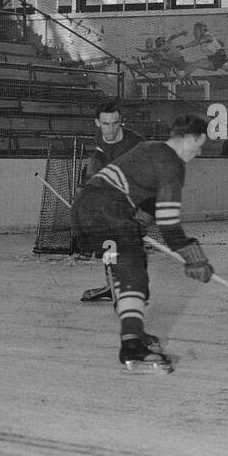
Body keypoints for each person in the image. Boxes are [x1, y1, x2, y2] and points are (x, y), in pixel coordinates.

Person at [72, 114, 213, 374]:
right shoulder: (172, 165)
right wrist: (194, 257)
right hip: (107, 211)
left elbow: (146, 200)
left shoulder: (150, 148)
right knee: (132, 275)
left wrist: (136, 225)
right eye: (199, 143)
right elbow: (169, 225)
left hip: (89, 209)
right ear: (190, 138)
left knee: (132, 275)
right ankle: (132, 346)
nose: (199, 150)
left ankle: (133, 335)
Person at [78, 100, 145, 304]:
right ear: (97, 123)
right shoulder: (100, 139)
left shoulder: (135, 143)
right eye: (106, 124)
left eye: (115, 123)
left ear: (121, 122)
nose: (111, 129)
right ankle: (112, 287)